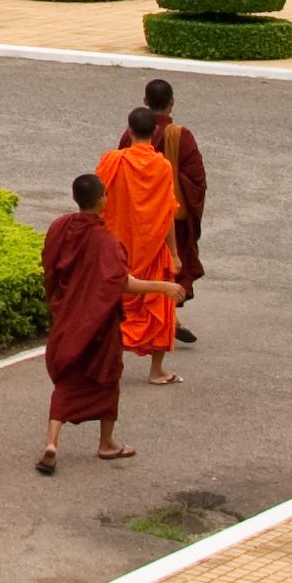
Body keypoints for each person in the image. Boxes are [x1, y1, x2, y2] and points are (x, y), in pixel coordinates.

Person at [39, 171, 174, 473]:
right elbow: (121, 283)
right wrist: (163, 287)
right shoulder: (105, 241)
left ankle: (51, 442)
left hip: (68, 318)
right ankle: (106, 443)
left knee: (67, 382)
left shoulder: (60, 227)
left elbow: (50, 264)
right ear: (102, 200)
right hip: (97, 324)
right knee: (107, 380)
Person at [96, 109, 183, 384]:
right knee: (159, 305)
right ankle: (157, 370)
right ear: (155, 132)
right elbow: (168, 212)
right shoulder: (162, 166)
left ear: (129, 130)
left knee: (112, 308)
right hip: (153, 246)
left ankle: (107, 366)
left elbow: (98, 202)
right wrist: (174, 253)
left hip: (117, 246)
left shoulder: (112, 161)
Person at [147, 76, 206, 343]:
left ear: (145, 101)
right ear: (171, 103)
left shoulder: (133, 132)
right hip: (172, 214)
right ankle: (167, 317)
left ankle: (161, 316)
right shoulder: (181, 136)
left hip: (141, 217)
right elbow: (197, 180)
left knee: (143, 266)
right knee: (171, 264)